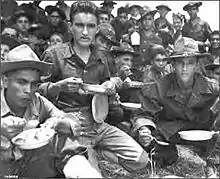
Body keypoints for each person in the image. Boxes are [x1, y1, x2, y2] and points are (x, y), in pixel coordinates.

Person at [39, 0, 149, 175]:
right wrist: (58, 87)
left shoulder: (102, 57)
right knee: (88, 173)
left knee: (142, 162)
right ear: (70, 26)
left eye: (90, 26)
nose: (84, 32)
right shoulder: (54, 54)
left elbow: (108, 88)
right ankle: (87, 158)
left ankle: (100, 154)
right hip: (70, 126)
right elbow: (36, 92)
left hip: (98, 122)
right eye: (79, 25)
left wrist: (111, 85)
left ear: (97, 28)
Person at [0, 44, 102, 178]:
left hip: (29, 168)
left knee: (61, 139)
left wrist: (56, 123)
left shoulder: (37, 102)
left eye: (34, 84)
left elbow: (73, 123)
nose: (28, 90)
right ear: (5, 81)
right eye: (21, 82)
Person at [131, 37, 220, 178]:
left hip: (203, 134)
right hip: (170, 135)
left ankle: (211, 166)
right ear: (173, 64)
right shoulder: (161, 86)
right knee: (152, 146)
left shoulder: (211, 86)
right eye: (180, 64)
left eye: (190, 63)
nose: (185, 69)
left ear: (197, 64)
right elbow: (144, 113)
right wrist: (144, 129)